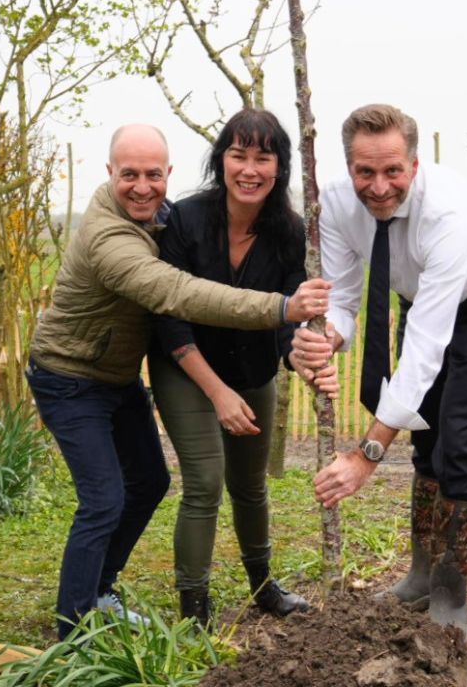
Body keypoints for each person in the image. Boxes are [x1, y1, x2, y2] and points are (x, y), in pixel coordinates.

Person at [26, 124, 329, 640]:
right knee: (105, 499)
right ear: (108, 174)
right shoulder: (114, 237)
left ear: (168, 174)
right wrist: (281, 309)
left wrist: (305, 347)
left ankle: (101, 591)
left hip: (116, 377)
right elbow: (177, 295)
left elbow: (290, 316)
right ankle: (73, 628)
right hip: (71, 376)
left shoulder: (170, 218)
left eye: (152, 175)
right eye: (129, 175)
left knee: (150, 482)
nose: (142, 186)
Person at [290, 104, 467, 641]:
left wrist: (366, 453)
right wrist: (326, 337)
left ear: (414, 166)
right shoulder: (334, 203)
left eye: (392, 170)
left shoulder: (444, 214)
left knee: (459, 443)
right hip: (417, 296)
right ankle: (419, 578)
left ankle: (450, 591)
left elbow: (427, 345)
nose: (378, 186)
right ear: (348, 166)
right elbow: (345, 297)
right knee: (426, 440)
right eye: (365, 172)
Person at [148, 109, 312, 627]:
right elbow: (169, 320)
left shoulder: (289, 232)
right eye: (238, 154)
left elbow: (287, 315)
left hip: (254, 371)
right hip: (186, 367)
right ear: (221, 160)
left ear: (280, 167)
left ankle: (265, 588)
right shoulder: (186, 220)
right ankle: (193, 609)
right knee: (204, 482)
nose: (250, 168)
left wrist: (300, 355)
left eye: (263, 157)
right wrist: (217, 393)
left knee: (251, 484)